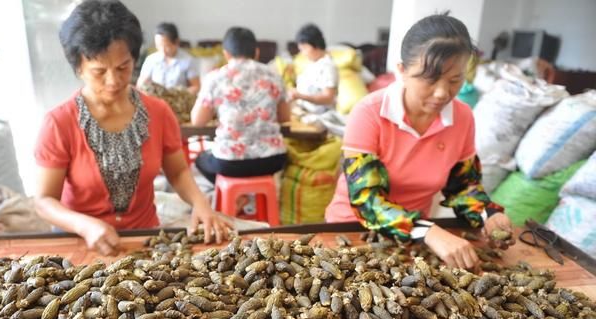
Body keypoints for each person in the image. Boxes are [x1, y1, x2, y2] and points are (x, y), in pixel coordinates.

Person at [34, 0, 230, 255]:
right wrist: (84, 226)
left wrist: (200, 203)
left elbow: (178, 171)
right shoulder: (59, 123)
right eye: (99, 71)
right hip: (83, 242)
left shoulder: (158, 112)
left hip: (145, 240)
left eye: (123, 67)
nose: (113, 80)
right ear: (78, 67)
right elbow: (44, 200)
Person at [325, 13, 512, 269]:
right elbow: (367, 200)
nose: (442, 92)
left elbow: (463, 185)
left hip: (415, 242)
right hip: (351, 233)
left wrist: (487, 213)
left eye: (455, 80)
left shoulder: (463, 117)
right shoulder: (369, 113)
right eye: (430, 78)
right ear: (402, 71)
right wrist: (429, 231)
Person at [190, 26, 290, 185]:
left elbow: (198, 121)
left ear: (226, 53)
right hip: (273, 160)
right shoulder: (274, 75)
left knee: (201, 160)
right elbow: (285, 117)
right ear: (256, 52)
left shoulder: (216, 77)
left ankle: (235, 195)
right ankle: (249, 195)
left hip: (230, 162)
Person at [136, 22, 200, 94]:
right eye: (158, 46)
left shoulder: (188, 60)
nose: (163, 50)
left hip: (178, 101)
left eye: (167, 46)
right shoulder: (151, 60)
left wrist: (177, 94)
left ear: (176, 42)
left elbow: (196, 87)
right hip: (155, 100)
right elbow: (141, 84)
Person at [288, 24, 338, 114]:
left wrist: (300, 96)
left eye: (304, 48)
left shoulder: (327, 66)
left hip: (319, 116)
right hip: (303, 110)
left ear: (316, 45)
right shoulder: (312, 64)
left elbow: (328, 98)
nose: (303, 53)